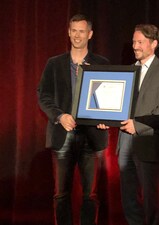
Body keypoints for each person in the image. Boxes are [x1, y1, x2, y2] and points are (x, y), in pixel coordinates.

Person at [98, 24, 159, 225]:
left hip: (148, 142)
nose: (135, 46)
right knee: (128, 197)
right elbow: (118, 105)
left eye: (140, 42)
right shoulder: (129, 71)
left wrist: (139, 125)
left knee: (151, 198)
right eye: (134, 42)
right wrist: (105, 118)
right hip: (125, 140)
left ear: (154, 43)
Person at [37, 14, 109, 225]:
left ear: (90, 34)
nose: (77, 35)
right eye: (74, 31)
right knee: (61, 194)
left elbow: (110, 98)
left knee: (91, 195)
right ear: (69, 32)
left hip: (92, 136)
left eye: (82, 31)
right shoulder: (54, 63)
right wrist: (60, 116)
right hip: (63, 135)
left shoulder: (102, 63)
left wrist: (107, 118)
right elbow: (43, 95)